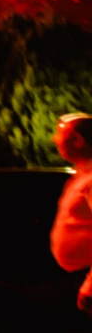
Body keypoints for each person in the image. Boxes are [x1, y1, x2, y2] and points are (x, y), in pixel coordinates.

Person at [52, 112, 92, 311]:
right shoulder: (82, 175)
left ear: (78, 140)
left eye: (60, 134)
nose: (55, 140)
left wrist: (90, 287)